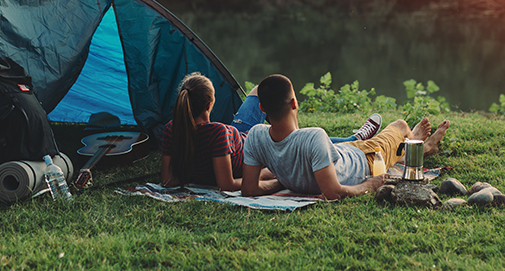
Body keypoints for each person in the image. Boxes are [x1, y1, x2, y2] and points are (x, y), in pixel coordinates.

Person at [160, 73, 383, 192]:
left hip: (236, 134)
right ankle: (354, 139)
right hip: (247, 140)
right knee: (290, 135)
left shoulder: (172, 130)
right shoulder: (216, 133)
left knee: (262, 88)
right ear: (210, 104)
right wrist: (277, 180)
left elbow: (168, 181)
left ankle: (345, 137)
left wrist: (191, 173)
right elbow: (226, 184)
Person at [242, 74, 450, 200]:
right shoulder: (314, 137)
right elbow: (333, 193)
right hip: (368, 161)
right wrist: (370, 185)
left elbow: (249, 190)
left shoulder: (256, 135)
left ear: (261, 108)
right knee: (401, 125)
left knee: (366, 145)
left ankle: (405, 151)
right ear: (295, 103)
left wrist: (282, 182)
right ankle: (422, 148)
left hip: (348, 151)